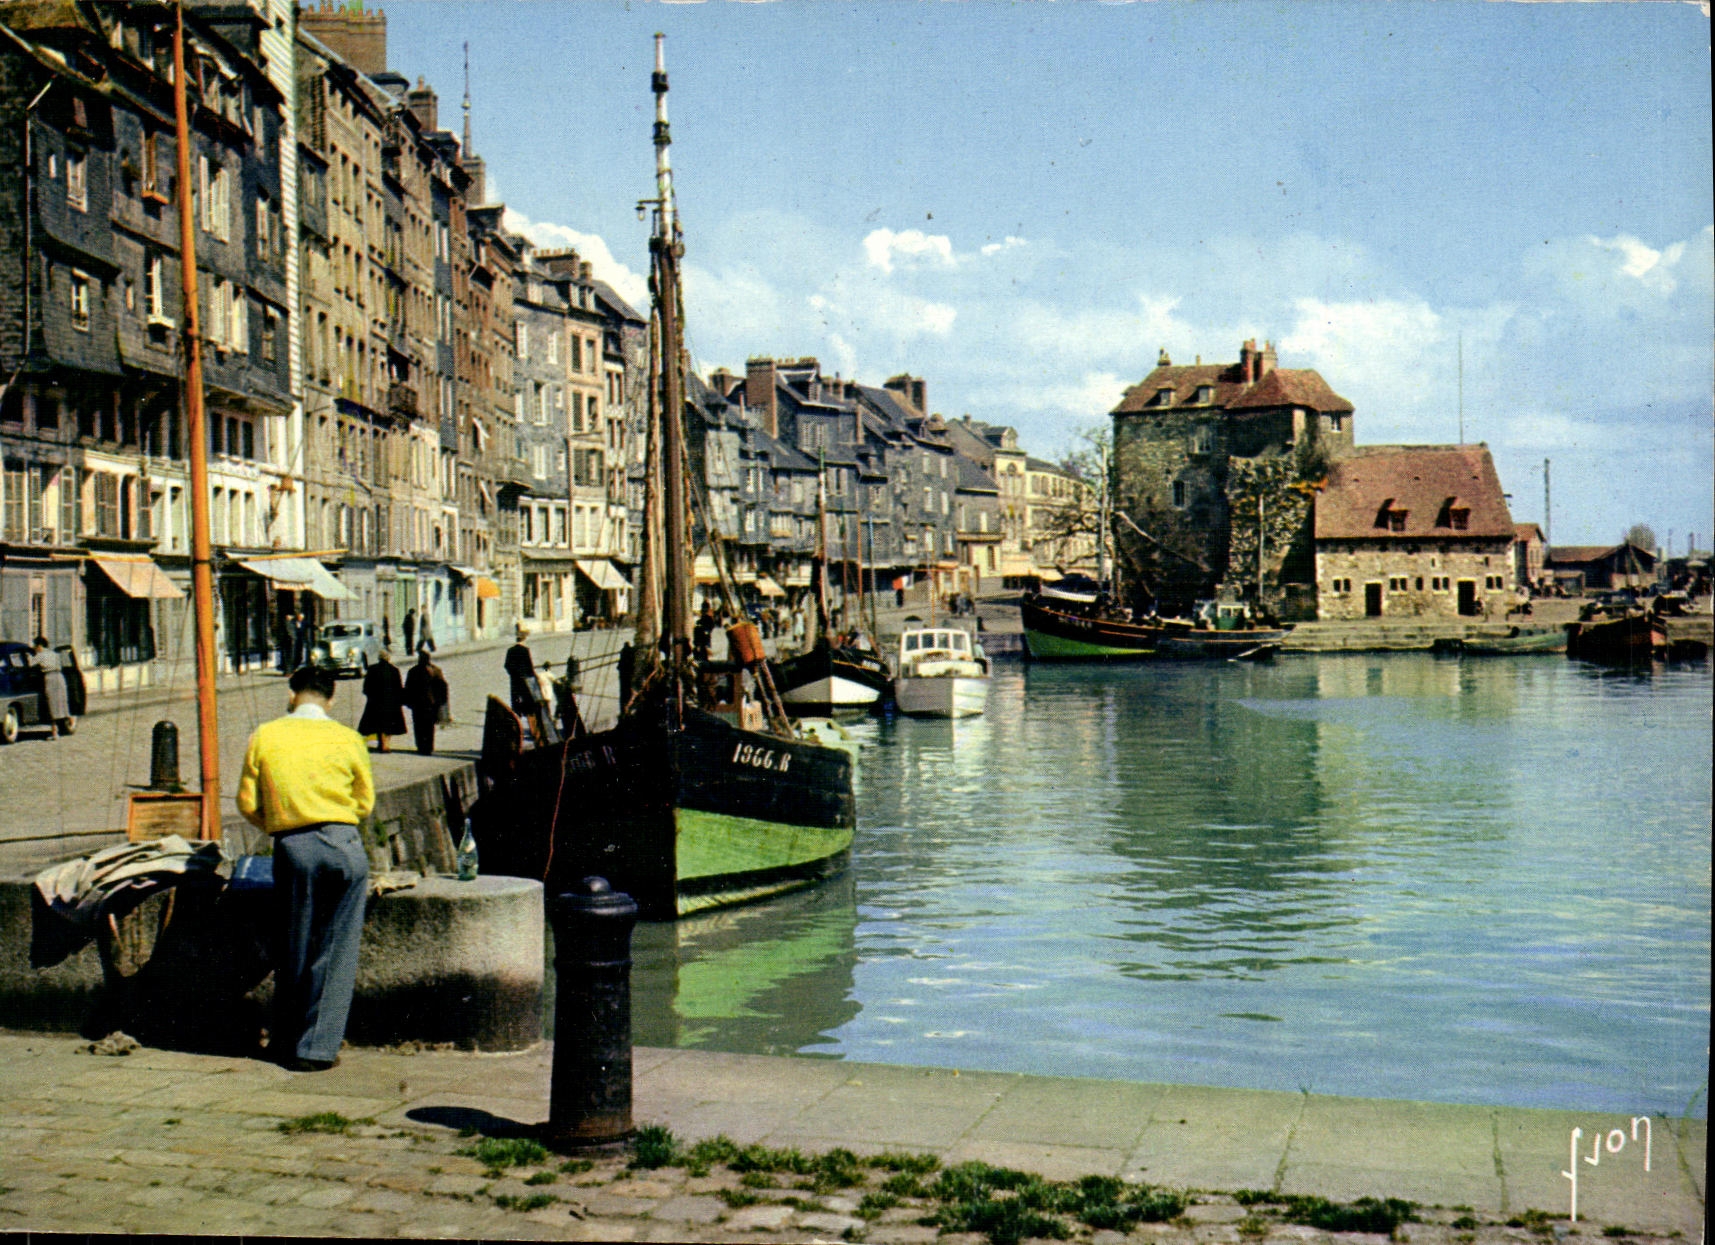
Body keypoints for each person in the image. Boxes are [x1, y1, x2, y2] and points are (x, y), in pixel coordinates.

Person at [237, 665, 374, 1072]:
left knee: (293, 944)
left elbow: (247, 803)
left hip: (295, 844)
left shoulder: (266, 735)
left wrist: (281, 827)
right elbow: (364, 802)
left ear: (292, 693)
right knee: (336, 949)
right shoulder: (349, 738)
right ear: (331, 699)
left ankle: (285, 1039)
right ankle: (316, 1049)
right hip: (345, 842)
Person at [402, 647, 449, 756]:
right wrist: (441, 701)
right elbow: (443, 686)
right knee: (429, 727)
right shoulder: (435, 670)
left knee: (418, 726)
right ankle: (428, 747)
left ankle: (421, 746)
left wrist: (407, 701)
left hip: (418, 704)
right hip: (430, 703)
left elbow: (408, 688)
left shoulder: (413, 671)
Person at [357, 649, 406, 753]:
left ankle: (382, 744)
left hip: (376, 702)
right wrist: (400, 700)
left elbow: (366, 687)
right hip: (391, 703)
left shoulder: (372, 669)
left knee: (379, 725)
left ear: (379, 658)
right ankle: (386, 744)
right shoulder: (394, 670)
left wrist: (370, 696)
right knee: (390, 726)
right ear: (388, 658)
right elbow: (399, 688)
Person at [30, 637, 71, 738]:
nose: (35, 648)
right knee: (62, 702)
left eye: (35, 646)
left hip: (50, 678)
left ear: (39, 646)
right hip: (60, 677)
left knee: (52, 705)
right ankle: (69, 721)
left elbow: (30, 664)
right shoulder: (54, 654)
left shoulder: (40, 655)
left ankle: (54, 732)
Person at [504, 625, 537, 717]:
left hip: (514, 679)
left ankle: (517, 714)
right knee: (526, 696)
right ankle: (528, 713)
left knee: (515, 697)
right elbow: (529, 666)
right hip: (524, 678)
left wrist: (513, 673)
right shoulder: (525, 650)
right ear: (524, 640)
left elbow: (506, 665)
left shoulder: (510, 650)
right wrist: (533, 676)